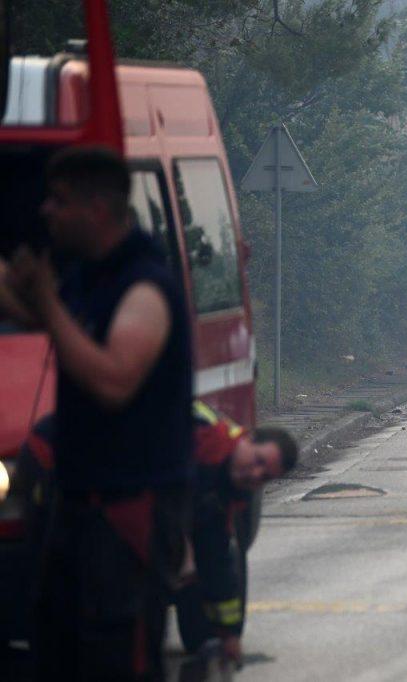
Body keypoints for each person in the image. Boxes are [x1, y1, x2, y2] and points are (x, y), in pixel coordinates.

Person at [0, 146, 193, 680]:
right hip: (79, 504)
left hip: (128, 510)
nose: (46, 213)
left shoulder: (145, 287)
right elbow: (41, 315)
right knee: (56, 648)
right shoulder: (93, 276)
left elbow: (113, 380)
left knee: (117, 658)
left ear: (97, 210)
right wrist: (31, 293)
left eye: (58, 202)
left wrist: (48, 301)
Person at [174, 401, 298, 671]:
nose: (254, 474)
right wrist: (182, 548)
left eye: (264, 476)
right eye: (258, 461)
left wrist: (229, 634)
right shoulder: (199, 437)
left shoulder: (223, 494)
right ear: (247, 438)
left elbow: (217, 560)